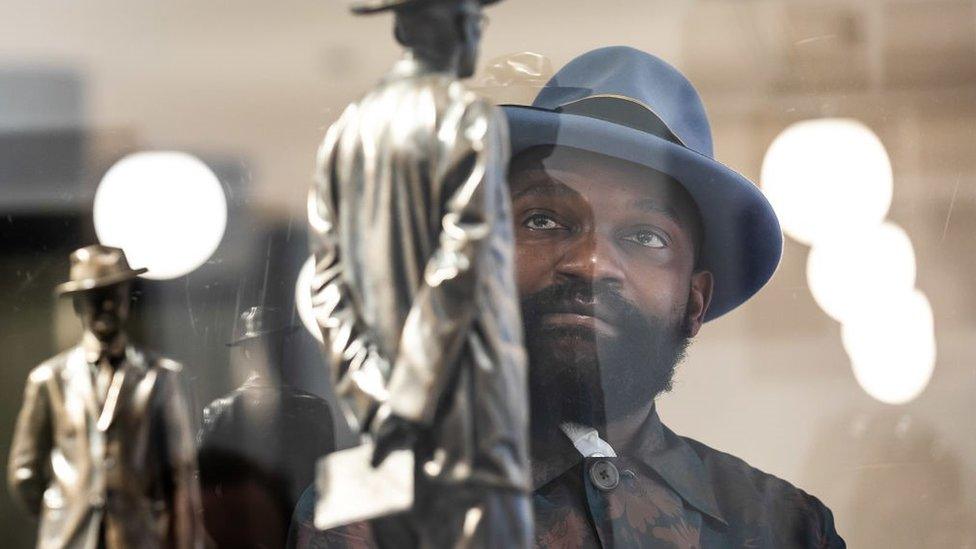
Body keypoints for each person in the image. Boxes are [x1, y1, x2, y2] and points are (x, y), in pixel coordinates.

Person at [501, 46, 844, 547]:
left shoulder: (786, 531)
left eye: (646, 236)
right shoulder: (376, 515)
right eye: (543, 220)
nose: (590, 263)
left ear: (695, 301)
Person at [304, 0, 531, 547]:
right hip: (468, 427)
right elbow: (462, 266)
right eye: (477, 16)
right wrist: (408, 401)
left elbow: (326, 282)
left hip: (382, 436)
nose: (480, 27)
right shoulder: (467, 115)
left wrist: (373, 397)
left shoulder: (345, 131)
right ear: (457, 25)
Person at [7, 245, 203, 549]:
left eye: (115, 295)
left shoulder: (162, 377)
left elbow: (180, 474)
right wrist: (64, 506)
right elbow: (24, 474)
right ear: (77, 305)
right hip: (68, 537)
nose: (107, 307)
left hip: (139, 537)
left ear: (129, 298)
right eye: (96, 298)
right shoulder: (48, 380)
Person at [198, 306, 335, 549]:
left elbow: (202, 494)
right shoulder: (316, 410)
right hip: (301, 537)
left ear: (247, 352)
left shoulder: (220, 411)